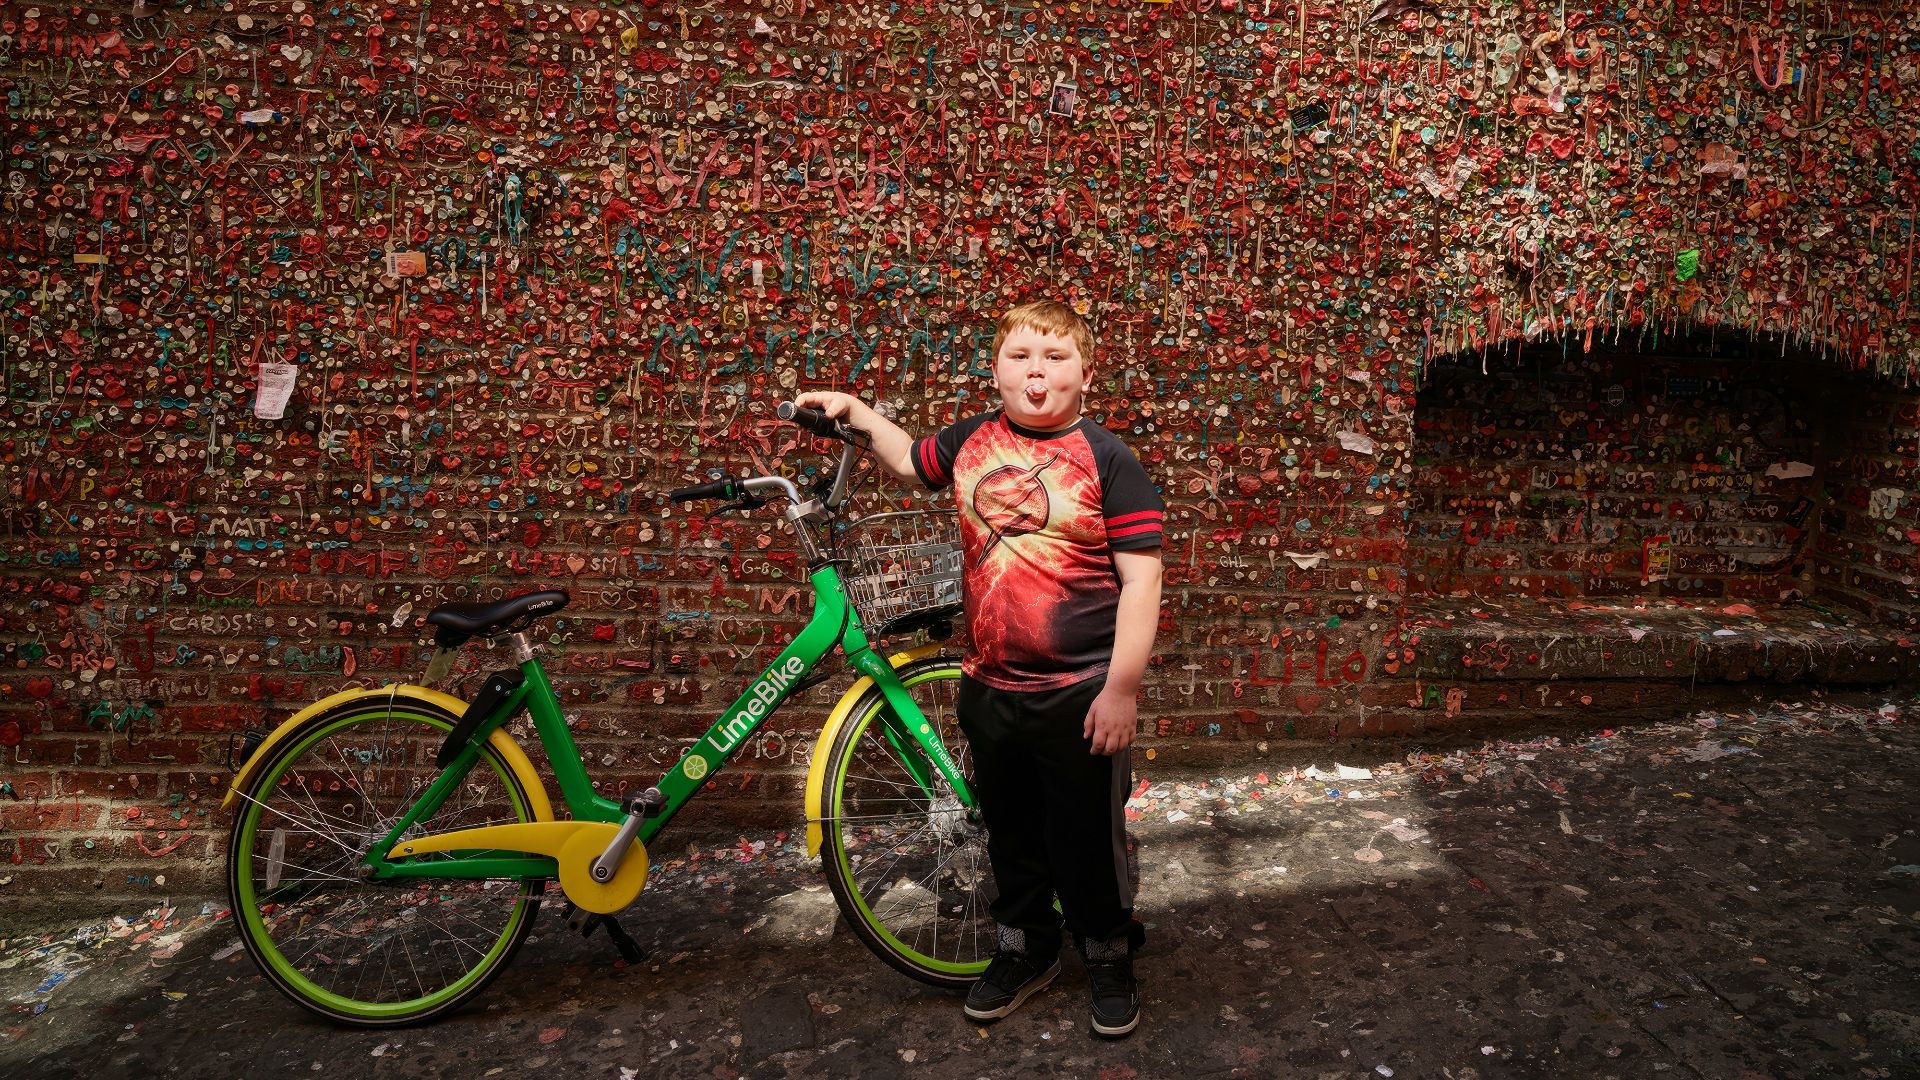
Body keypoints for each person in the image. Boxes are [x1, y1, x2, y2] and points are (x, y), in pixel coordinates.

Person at [795, 300, 1164, 1039]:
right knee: (1009, 832)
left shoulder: (1108, 459)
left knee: (1087, 839)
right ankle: (1027, 947)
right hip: (989, 685)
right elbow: (909, 461)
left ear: (1087, 374)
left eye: (1056, 358)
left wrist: (1121, 688)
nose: (1037, 372)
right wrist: (856, 411)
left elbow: (1143, 578)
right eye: (1020, 356)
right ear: (996, 371)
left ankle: (1106, 950)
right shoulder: (971, 440)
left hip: (1080, 693)